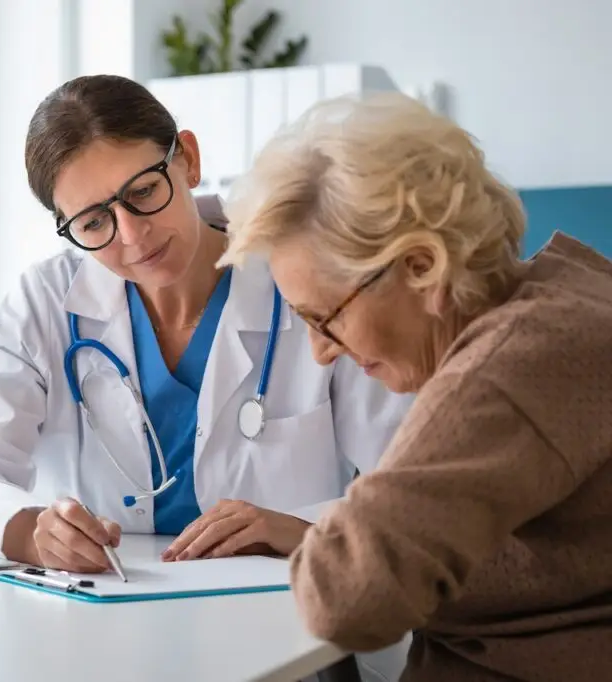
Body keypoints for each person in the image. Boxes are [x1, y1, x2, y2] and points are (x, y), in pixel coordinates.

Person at [0, 74, 409, 583]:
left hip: (288, 611)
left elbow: (413, 485)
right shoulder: (43, 305)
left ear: (188, 159)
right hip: (104, 620)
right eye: (94, 223)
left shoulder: (303, 280)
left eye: (143, 191)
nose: (133, 235)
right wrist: (34, 533)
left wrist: (303, 528)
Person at [216, 90, 612, 681]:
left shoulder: (506, 368)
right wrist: (315, 533)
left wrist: (331, 542)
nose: (322, 352)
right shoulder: (572, 291)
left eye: (326, 318)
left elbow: (345, 599)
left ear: (422, 266)